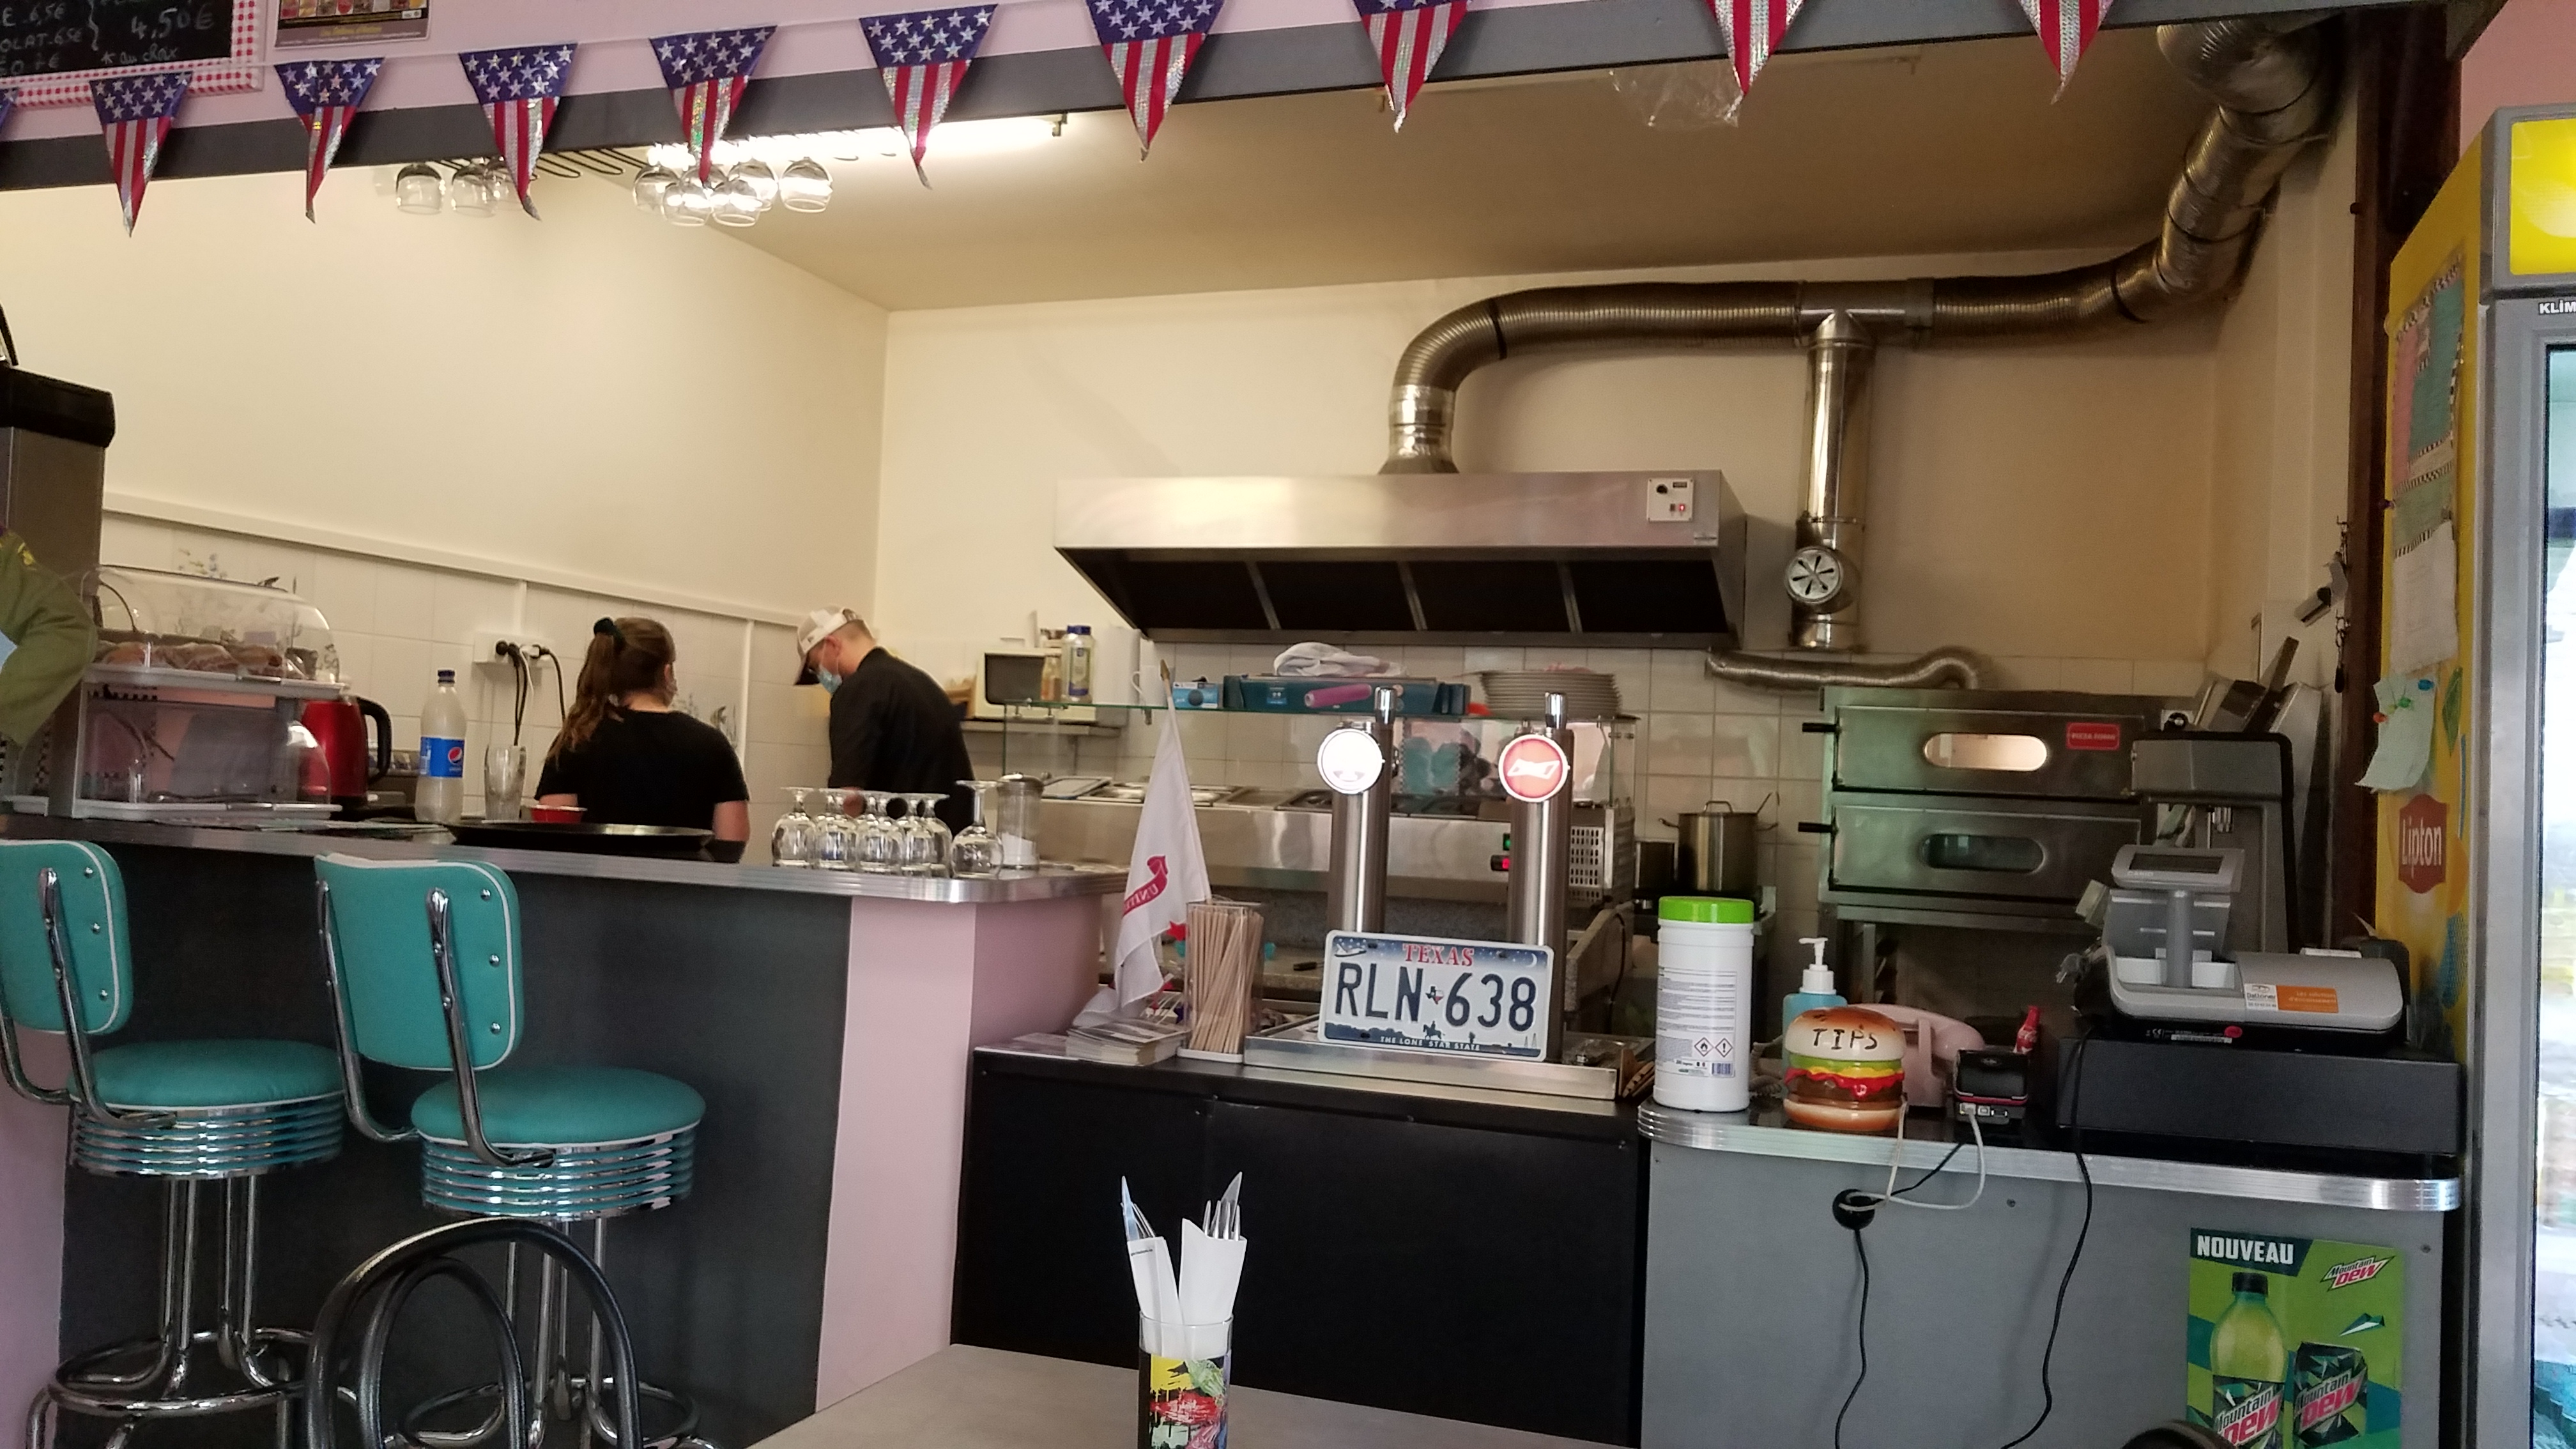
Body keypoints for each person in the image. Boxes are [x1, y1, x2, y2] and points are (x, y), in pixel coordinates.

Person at [536, 617, 750, 861]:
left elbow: (552, 836)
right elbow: (732, 844)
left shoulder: (577, 740)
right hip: (684, 884)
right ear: (666, 673)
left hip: (595, 883)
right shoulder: (712, 745)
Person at [795, 607, 975, 831]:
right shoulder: (921, 683)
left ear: (832, 645)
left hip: (901, 841)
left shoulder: (858, 690)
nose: (822, 677)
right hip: (951, 837)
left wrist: (834, 840)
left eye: (816, 667)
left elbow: (848, 797)